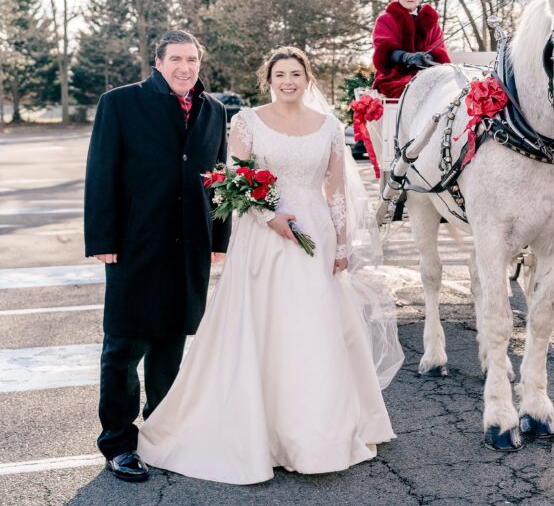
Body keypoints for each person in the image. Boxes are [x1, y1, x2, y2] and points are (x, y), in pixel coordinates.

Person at [137, 46, 402, 484]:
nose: (288, 81)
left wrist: (341, 243)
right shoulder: (247, 122)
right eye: (280, 74)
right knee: (264, 327)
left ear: (308, 78)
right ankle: (259, 432)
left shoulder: (329, 126)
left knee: (315, 328)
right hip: (264, 238)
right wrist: (269, 216)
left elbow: (335, 188)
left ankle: (316, 432)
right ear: (269, 79)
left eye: (296, 73)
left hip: (313, 234)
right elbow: (235, 178)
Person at [84, 30, 231, 482]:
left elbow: (220, 177)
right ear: (158, 62)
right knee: (124, 347)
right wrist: (103, 239)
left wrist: (219, 239)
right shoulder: (120, 103)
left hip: (190, 246)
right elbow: (101, 171)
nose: (185, 68)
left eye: (192, 60)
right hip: (135, 243)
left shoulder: (214, 110)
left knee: (171, 345)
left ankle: (162, 434)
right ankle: (119, 443)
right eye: (176, 59)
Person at [371, 0, 451, 99]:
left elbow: (439, 48)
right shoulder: (385, 19)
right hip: (395, 75)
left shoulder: (431, 21)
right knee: (414, 90)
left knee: (446, 91)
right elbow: (383, 47)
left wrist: (428, 56)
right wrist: (405, 57)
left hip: (429, 73)